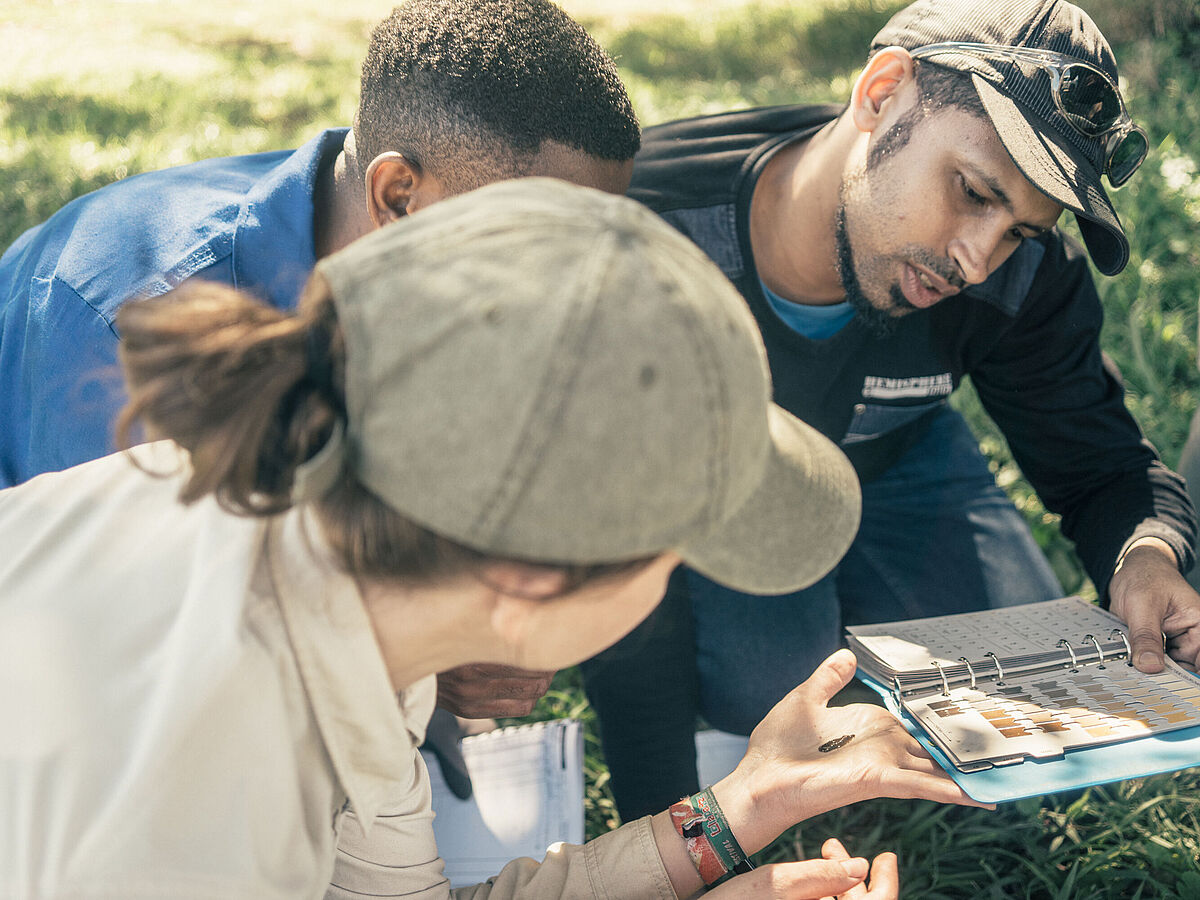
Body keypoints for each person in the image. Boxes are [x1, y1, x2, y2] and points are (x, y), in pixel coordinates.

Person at [0, 178, 986, 899]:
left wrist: (738, 812)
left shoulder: (335, 574)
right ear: (530, 581)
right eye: (680, 552)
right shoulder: (168, 831)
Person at [583, 0, 1200, 820]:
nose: (979, 260)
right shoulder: (643, 235)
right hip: (710, 493)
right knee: (764, 686)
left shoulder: (1020, 276)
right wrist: (665, 840)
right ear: (882, 93)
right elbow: (604, 543)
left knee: (1021, 680)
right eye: (973, 192)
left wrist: (1147, 552)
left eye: (1020, 229)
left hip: (899, 450)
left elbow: (1104, 463)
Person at [0, 0, 639, 773]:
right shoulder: (127, 319)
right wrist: (411, 648)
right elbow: (116, 655)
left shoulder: (437, 279)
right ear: (397, 195)